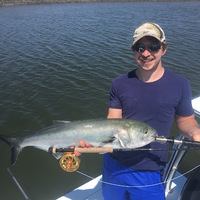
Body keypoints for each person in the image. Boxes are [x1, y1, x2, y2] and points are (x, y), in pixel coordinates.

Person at [76, 22, 200, 199]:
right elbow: (113, 121)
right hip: (114, 164)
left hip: (149, 168)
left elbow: (185, 121)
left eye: (154, 47)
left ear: (164, 49)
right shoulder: (119, 83)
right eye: (140, 47)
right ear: (134, 50)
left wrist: (195, 132)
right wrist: (91, 141)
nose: (146, 53)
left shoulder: (180, 84)